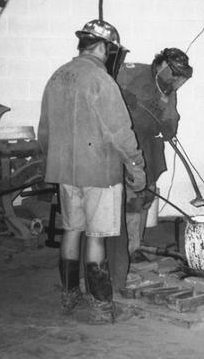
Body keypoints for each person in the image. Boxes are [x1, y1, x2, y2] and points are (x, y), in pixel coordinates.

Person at [37, 19, 146, 324]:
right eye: (111, 50)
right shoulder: (102, 80)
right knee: (96, 237)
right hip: (99, 173)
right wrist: (136, 167)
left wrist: (56, 160)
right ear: (103, 47)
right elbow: (120, 132)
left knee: (72, 230)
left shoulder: (57, 77)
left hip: (65, 172)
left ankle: (69, 295)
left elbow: (44, 131)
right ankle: (100, 306)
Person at [115, 48, 193, 262]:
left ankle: (136, 245)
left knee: (146, 195)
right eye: (174, 73)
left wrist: (170, 125)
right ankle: (127, 250)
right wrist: (121, 96)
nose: (176, 79)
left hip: (149, 144)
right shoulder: (131, 72)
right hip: (125, 143)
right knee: (132, 197)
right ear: (161, 65)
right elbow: (104, 87)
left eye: (180, 76)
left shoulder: (168, 87)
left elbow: (170, 117)